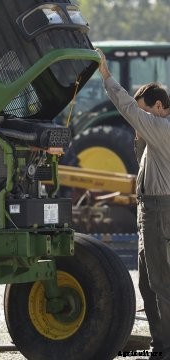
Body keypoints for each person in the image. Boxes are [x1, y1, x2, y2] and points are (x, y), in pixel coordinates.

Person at [97, 48, 170, 360]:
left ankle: (165, 348)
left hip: (160, 210)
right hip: (148, 210)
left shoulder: (162, 128)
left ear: (158, 107)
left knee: (161, 284)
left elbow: (126, 107)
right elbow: (142, 163)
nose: (137, 122)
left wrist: (106, 75)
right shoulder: (153, 134)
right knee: (147, 285)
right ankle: (159, 344)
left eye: (143, 114)